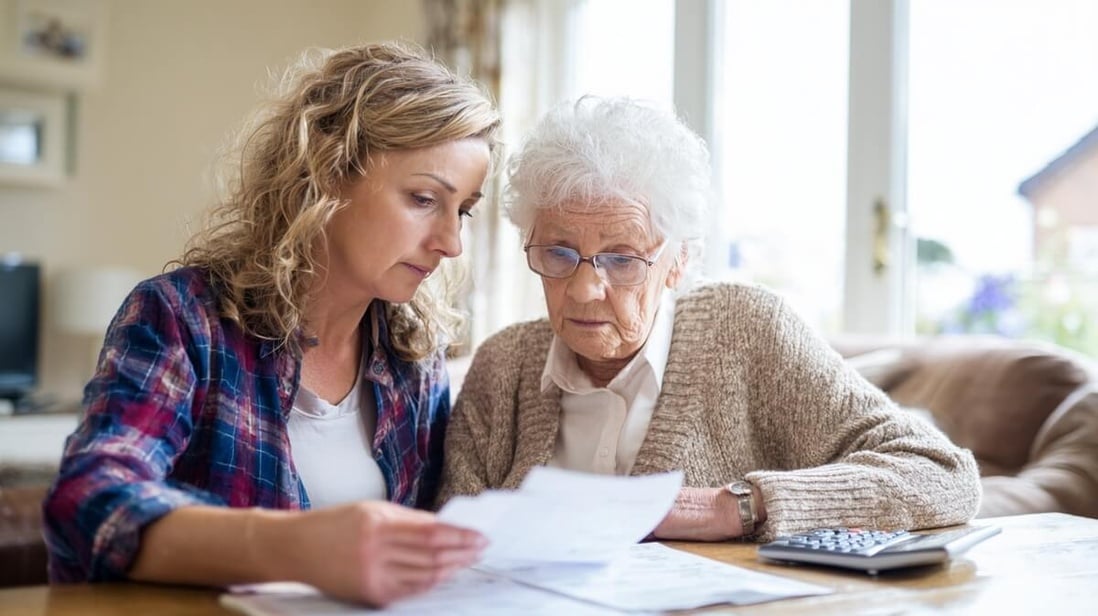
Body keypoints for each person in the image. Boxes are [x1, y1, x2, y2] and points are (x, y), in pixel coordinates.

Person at [43, 42, 501, 606]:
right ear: (330, 172)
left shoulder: (414, 357)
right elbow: (89, 502)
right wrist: (301, 546)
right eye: (425, 198)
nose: (451, 243)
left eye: (464, 210)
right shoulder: (184, 320)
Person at [438, 96, 981, 541]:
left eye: (622, 259)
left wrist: (736, 505)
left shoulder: (747, 331)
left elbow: (943, 473)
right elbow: (450, 551)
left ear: (678, 261)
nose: (583, 289)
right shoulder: (503, 365)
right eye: (558, 252)